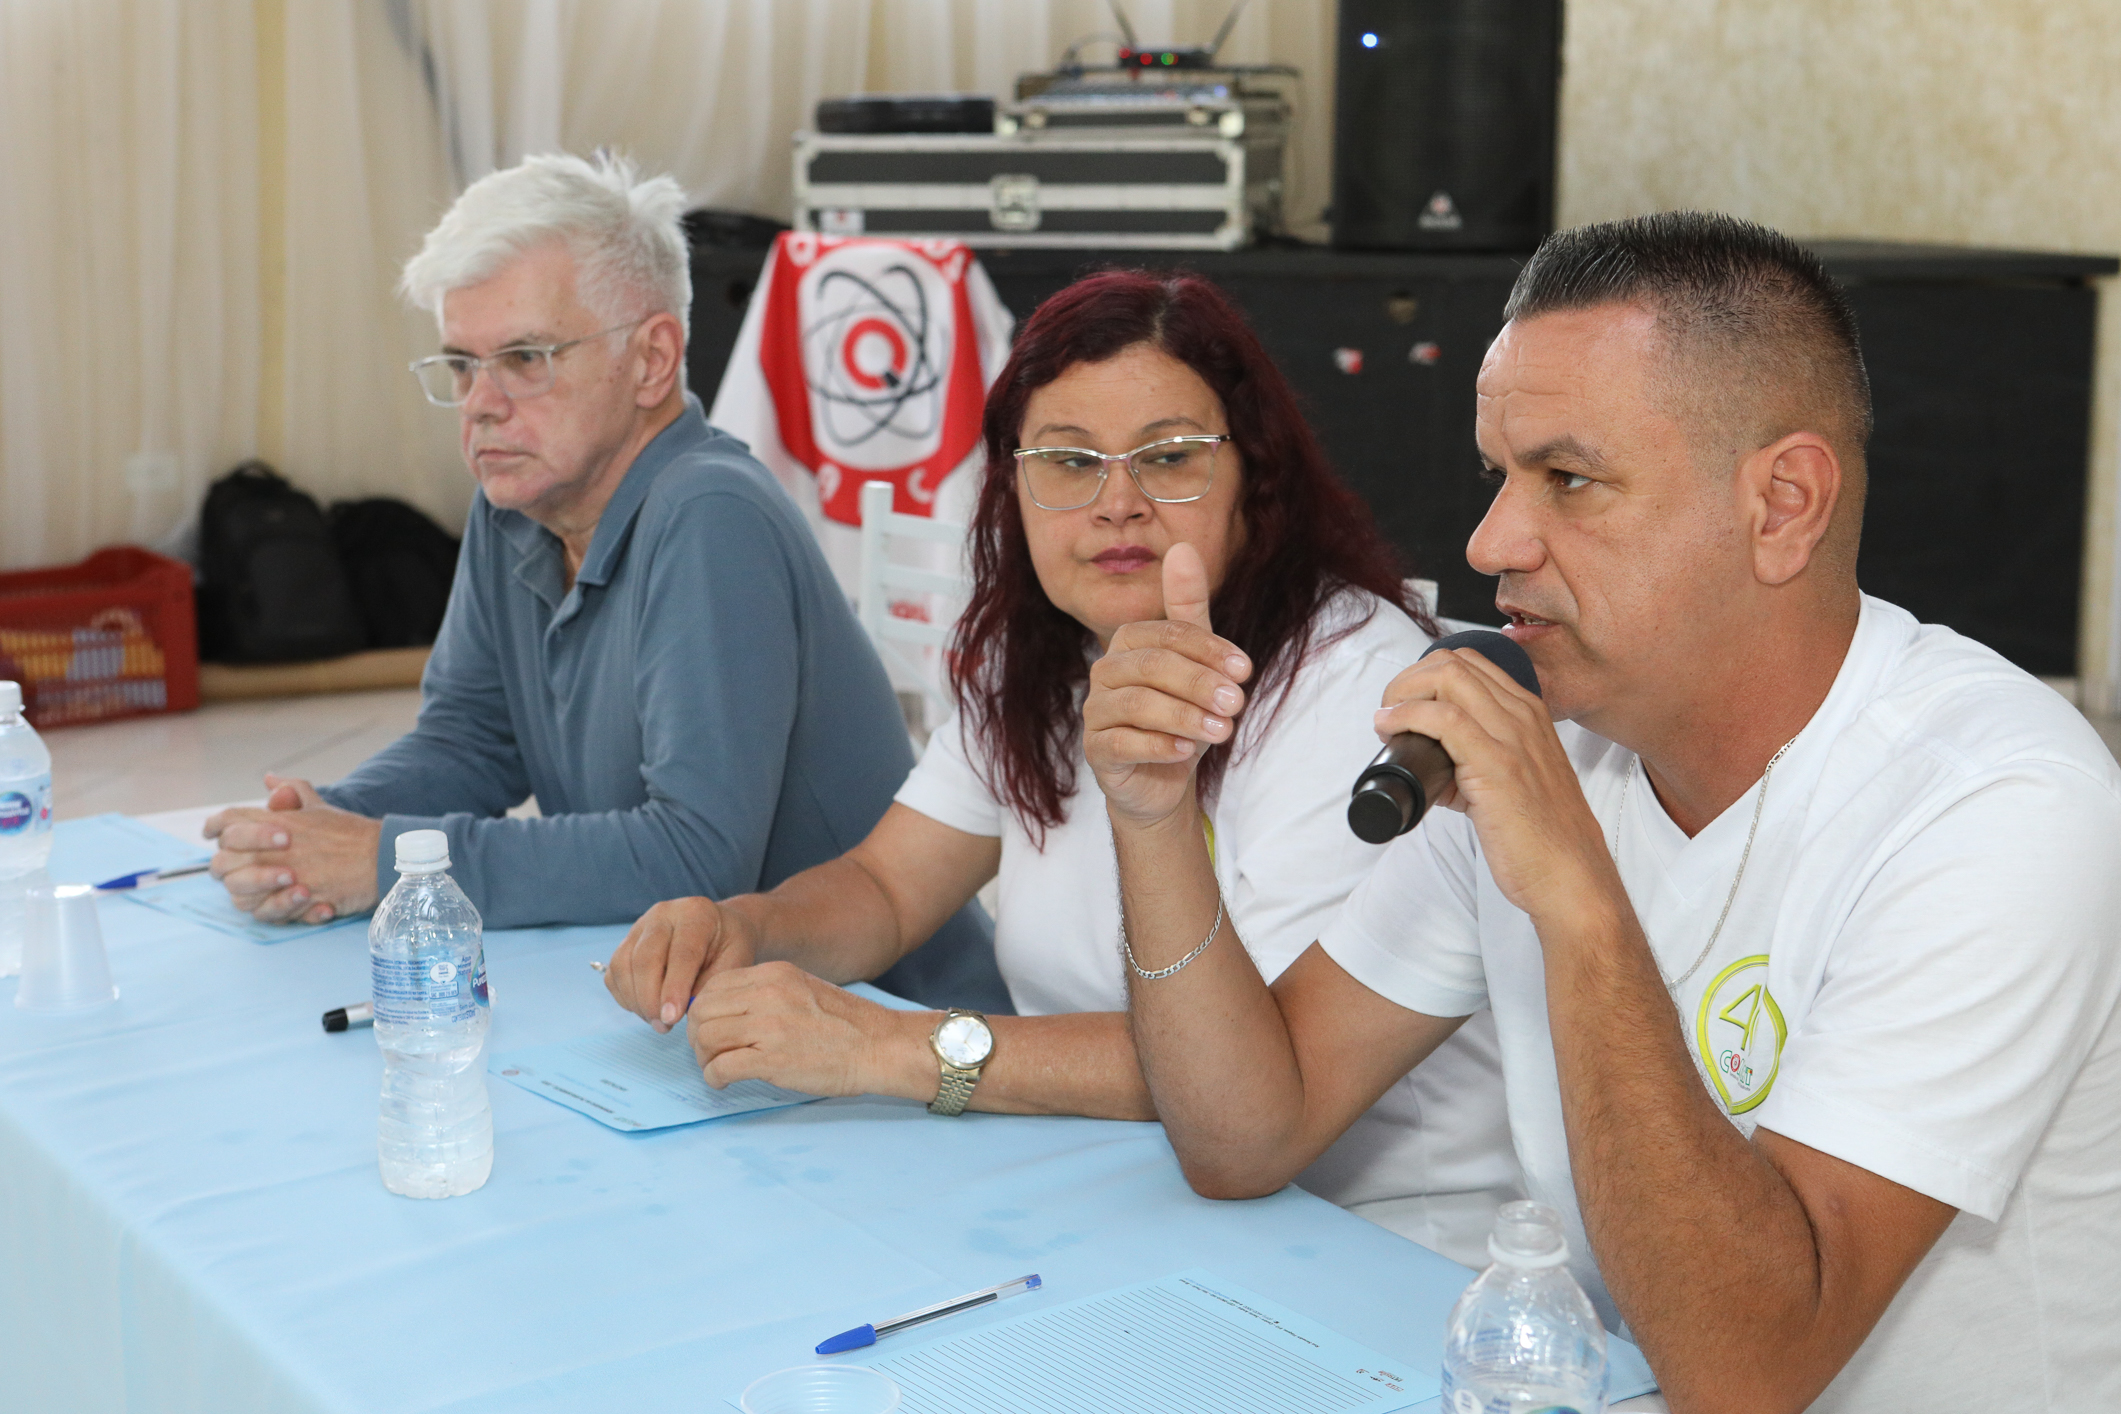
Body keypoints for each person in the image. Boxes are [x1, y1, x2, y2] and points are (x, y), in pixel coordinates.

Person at [1096, 211, 2121, 1410]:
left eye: (1568, 480)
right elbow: (1245, 1135)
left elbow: (1746, 1371)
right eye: (1499, 475)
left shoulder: (2000, 803)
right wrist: (1156, 815)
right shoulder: (1554, 744)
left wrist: (1579, 903)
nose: (1490, 541)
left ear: (1782, 505)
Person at [601, 270, 1525, 1267]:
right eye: (1069, 461)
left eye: (1168, 457)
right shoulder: (1037, 655)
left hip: (1375, 1251)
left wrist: (883, 1047)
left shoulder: (1356, 690)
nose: (1117, 502)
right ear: (1013, 484)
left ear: (1256, 478)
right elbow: (885, 886)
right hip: (1112, 1196)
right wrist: (741, 927)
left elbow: (1232, 1070)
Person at [202, 151, 1002, 1012]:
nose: (480, 404)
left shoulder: (710, 513)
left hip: (883, 1030)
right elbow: (471, 741)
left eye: (524, 358)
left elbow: (693, 855)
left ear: (653, 359)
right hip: (689, 1009)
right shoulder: (520, 499)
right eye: (462, 365)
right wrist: (316, 822)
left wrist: (382, 856)